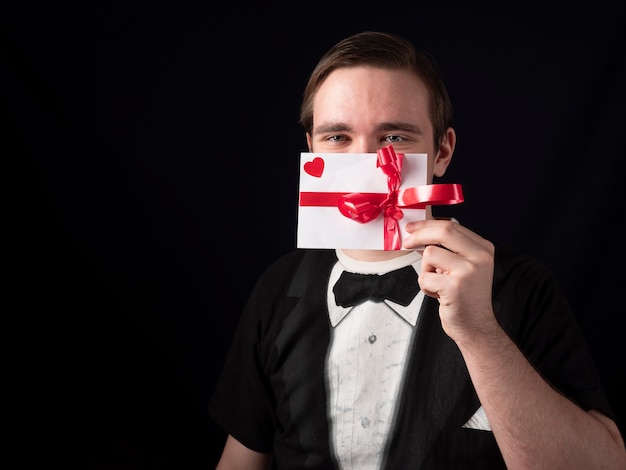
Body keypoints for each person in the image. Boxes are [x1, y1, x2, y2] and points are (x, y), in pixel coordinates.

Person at [210, 31, 626, 469]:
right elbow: (241, 459)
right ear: (312, 148)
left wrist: (481, 334)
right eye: (337, 137)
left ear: (441, 151)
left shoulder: (522, 287)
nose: (367, 163)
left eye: (394, 138)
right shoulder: (277, 289)